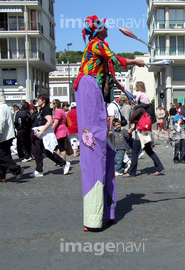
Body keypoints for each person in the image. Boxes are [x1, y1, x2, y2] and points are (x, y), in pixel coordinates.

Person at [73, 15, 146, 231]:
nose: (108, 29)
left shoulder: (99, 50)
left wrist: (123, 87)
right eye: (104, 26)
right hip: (88, 91)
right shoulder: (97, 44)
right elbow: (115, 59)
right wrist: (136, 61)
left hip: (95, 95)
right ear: (97, 31)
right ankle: (94, 216)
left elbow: (110, 71)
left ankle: (108, 211)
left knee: (106, 152)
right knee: (93, 146)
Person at [30, 95, 70, 177]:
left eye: (39, 100)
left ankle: (64, 163)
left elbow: (49, 121)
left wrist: (41, 131)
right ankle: (39, 170)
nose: (38, 101)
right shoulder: (41, 109)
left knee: (48, 151)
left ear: (44, 100)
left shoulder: (46, 109)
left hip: (44, 134)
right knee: (38, 152)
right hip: (40, 133)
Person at [123, 107, 165, 177]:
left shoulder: (140, 109)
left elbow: (130, 118)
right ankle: (160, 168)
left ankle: (131, 172)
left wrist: (134, 119)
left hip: (140, 134)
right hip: (145, 133)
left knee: (135, 152)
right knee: (149, 151)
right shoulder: (146, 111)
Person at [0, 92, 23, 183]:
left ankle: (16, 169)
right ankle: (2, 176)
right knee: (5, 154)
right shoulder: (6, 107)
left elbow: (1, 122)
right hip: (8, 135)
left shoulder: (1, 108)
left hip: (3, 136)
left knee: (2, 156)